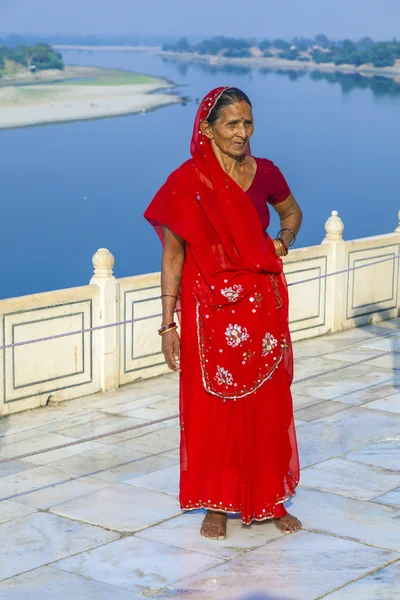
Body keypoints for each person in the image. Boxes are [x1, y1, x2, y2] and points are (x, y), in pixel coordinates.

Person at [144, 87, 303, 540]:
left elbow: (291, 213)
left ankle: (269, 496)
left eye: (247, 123)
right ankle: (216, 502)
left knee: (267, 403)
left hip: (261, 304)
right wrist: (167, 323)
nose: (241, 132)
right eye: (231, 124)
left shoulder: (266, 171)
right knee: (212, 407)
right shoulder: (187, 181)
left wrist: (283, 241)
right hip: (208, 310)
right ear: (207, 128)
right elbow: (173, 256)